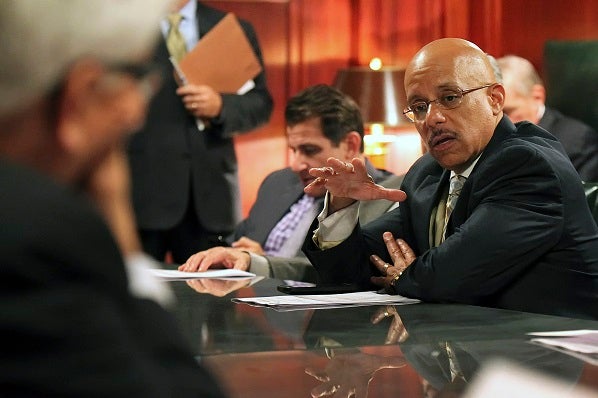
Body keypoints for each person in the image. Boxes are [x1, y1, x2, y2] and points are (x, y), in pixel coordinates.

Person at [0, 0, 226, 396]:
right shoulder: (35, 241)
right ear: (79, 94)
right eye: (137, 76)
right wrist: (125, 250)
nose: (137, 112)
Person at [302, 38, 598, 320]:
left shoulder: (528, 165)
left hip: (544, 357)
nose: (432, 118)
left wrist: (404, 278)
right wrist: (342, 206)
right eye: (419, 107)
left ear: (494, 100)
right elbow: (355, 269)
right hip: (466, 352)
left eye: (450, 98)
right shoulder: (427, 174)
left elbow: (450, 276)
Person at [179, 84, 403, 283]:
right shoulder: (278, 182)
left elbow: (335, 271)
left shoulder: (385, 200)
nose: (296, 164)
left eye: (309, 150)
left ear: (351, 145)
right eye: (293, 150)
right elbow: (234, 242)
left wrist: (259, 262)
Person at [128, 0, 273, 264]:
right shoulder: (128, 28)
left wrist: (221, 106)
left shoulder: (231, 29)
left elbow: (261, 104)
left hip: (211, 194)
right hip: (143, 191)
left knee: (214, 297)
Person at [497, 54, 598, 182]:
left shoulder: (578, 142)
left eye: (507, 112)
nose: (498, 123)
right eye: (493, 114)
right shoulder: (484, 141)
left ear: (537, 97)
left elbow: (577, 198)